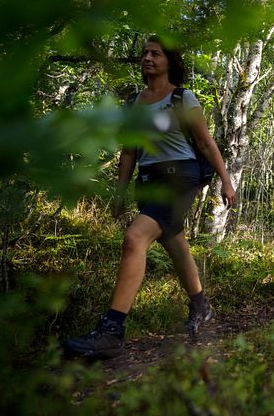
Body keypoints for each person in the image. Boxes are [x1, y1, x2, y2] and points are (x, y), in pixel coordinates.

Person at [64, 36, 236, 359]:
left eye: (156, 53)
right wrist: (120, 192)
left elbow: (206, 144)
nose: (148, 58)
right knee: (176, 244)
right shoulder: (133, 104)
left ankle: (111, 331)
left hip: (180, 181)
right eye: (144, 53)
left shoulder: (183, 99)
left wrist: (226, 182)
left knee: (134, 238)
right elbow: (129, 151)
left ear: (169, 61)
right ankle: (202, 306)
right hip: (148, 184)